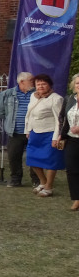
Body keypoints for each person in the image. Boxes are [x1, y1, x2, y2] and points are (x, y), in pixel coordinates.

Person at [0, 72, 37, 188]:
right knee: (14, 157)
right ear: (22, 82)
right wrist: (9, 119)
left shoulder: (36, 94)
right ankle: (15, 179)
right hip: (15, 131)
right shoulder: (7, 94)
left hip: (33, 131)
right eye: (31, 80)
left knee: (34, 156)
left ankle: (36, 179)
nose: (33, 83)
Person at [26, 74, 64, 197]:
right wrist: (28, 130)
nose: (40, 86)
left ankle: (49, 187)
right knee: (33, 159)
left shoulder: (56, 98)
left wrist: (56, 137)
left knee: (51, 161)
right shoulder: (33, 96)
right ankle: (43, 182)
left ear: (49, 85)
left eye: (43, 84)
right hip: (35, 132)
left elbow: (59, 120)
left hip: (50, 133)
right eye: (38, 84)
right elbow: (30, 114)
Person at [57, 73, 79, 211]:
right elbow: (62, 118)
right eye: (77, 83)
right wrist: (61, 134)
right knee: (71, 169)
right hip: (72, 139)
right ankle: (77, 199)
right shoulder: (69, 99)